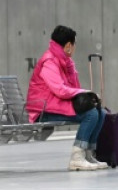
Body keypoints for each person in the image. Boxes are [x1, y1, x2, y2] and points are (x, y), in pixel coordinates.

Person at [26, 25, 108, 171]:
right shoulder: (49, 61)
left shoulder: (63, 61)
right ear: (69, 45)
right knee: (90, 114)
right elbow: (60, 90)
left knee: (100, 112)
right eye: (74, 44)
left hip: (55, 104)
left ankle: (88, 154)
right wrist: (86, 92)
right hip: (43, 109)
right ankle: (77, 157)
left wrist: (71, 69)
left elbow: (74, 87)